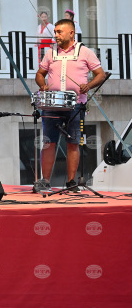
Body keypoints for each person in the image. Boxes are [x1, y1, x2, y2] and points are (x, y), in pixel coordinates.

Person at [35, 18, 104, 192]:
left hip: (76, 105)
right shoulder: (50, 53)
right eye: (55, 32)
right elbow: (40, 74)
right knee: (49, 142)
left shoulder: (85, 52)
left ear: (71, 33)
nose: (56, 35)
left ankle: (71, 182)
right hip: (52, 105)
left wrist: (88, 85)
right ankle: (45, 181)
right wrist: (42, 85)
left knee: (73, 143)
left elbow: (100, 74)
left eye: (59, 32)